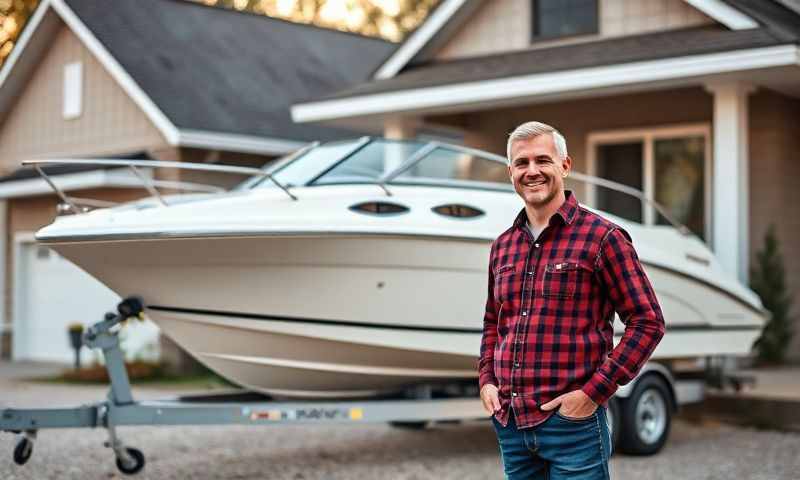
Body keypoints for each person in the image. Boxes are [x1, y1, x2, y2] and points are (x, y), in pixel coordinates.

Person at [478, 121, 666, 479]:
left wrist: (593, 394)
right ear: (510, 172)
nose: (531, 171)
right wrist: (487, 379)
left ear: (565, 165)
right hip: (512, 426)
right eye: (521, 163)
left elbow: (647, 322)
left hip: (572, 428)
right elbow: (493, 321)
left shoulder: (603, 238)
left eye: (542, 160)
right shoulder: (502, 247)